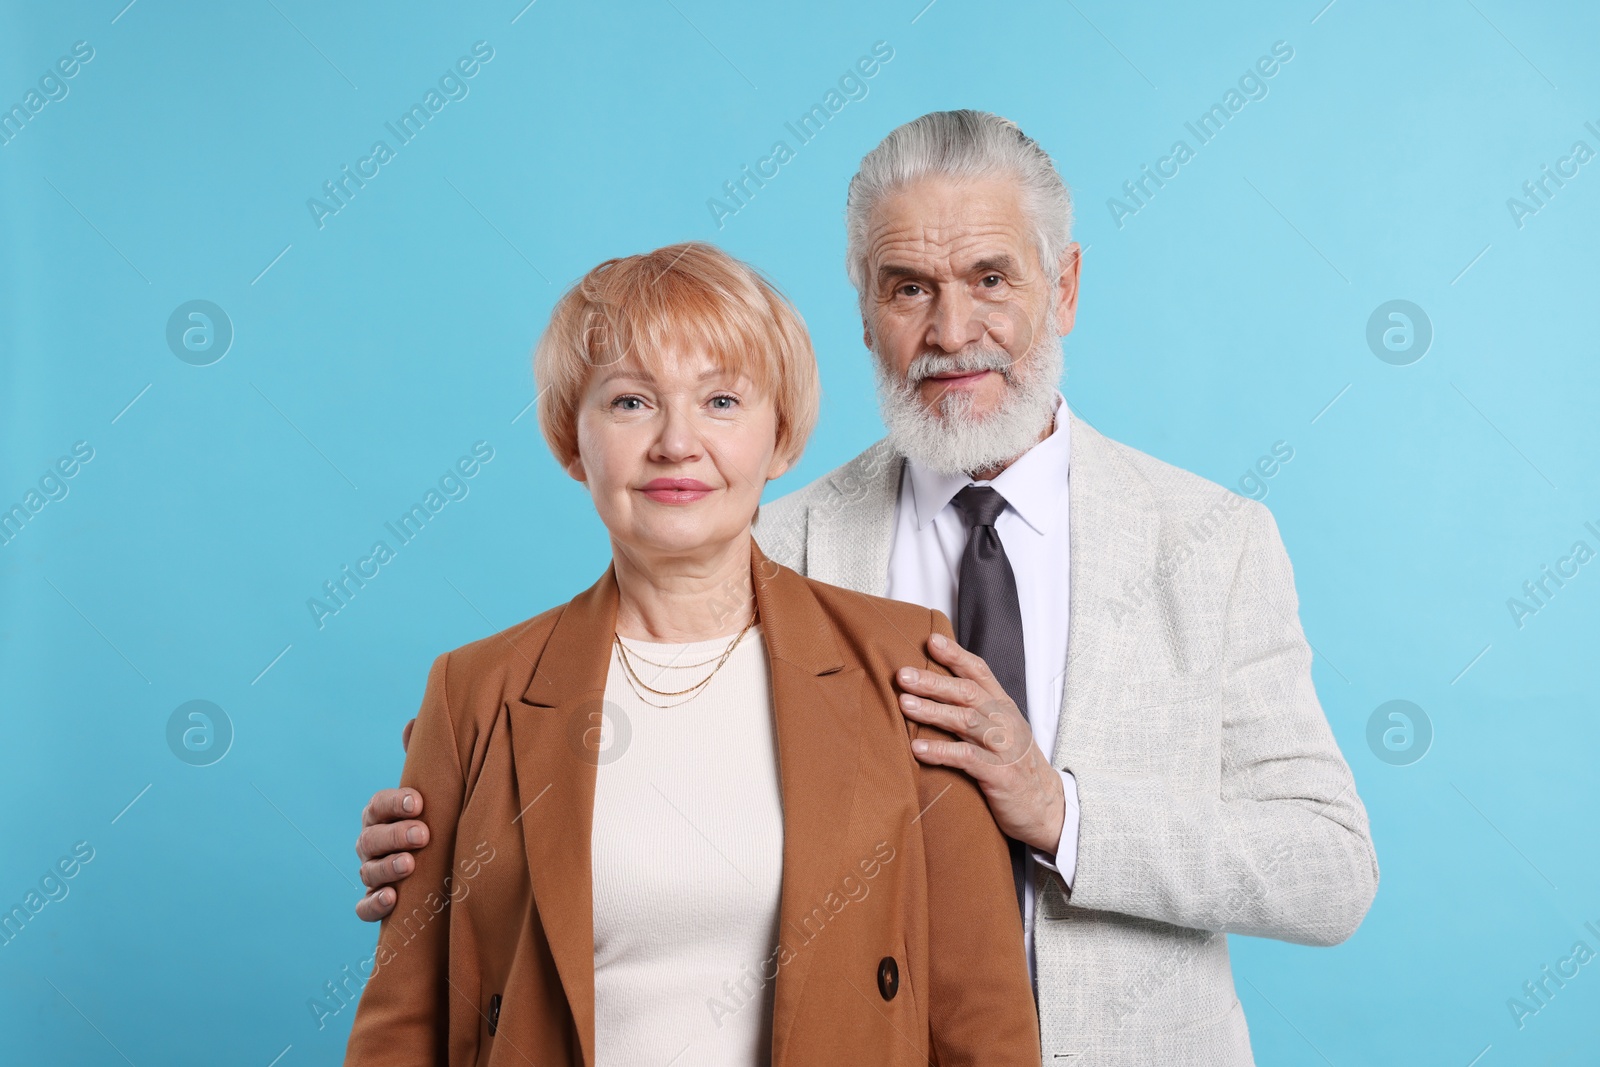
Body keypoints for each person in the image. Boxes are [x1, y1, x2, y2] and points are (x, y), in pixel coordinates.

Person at [358, 111, 1379, 1065]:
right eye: (907, 288)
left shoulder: (1211, 543)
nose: (948, 330)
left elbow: (1329, 867)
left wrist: (1058, 808)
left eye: (990, 277)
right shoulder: (771, 548)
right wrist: (472, 836)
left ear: (1063, 285)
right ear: (862, 311)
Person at [342, 241, 1040, 1066]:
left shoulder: (906, 662)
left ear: (780, 437)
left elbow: (983, 1017)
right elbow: (403, 1027)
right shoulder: (472, 692)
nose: (677, 443)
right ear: (574, 440)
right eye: (632, 402)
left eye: (720, 400)